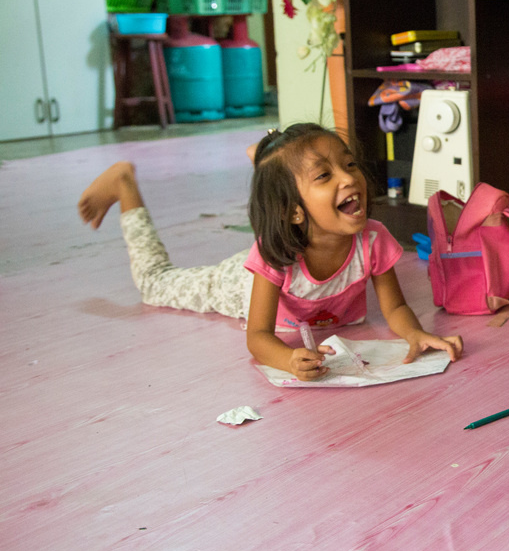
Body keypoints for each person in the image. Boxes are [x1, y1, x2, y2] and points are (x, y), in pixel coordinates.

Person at [78, 123, 463, 378]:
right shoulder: (272, 254)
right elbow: (258, 337)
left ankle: (268, 161)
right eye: (325, 175)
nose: (350, 178)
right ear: (294, 211)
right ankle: (125, 184)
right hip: (234, 283)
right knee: (153, 284)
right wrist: (287, 360)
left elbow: (395, 308)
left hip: (290, 237)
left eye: (350, 165)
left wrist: (414, 333)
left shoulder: (373, 240)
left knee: (289, 178)